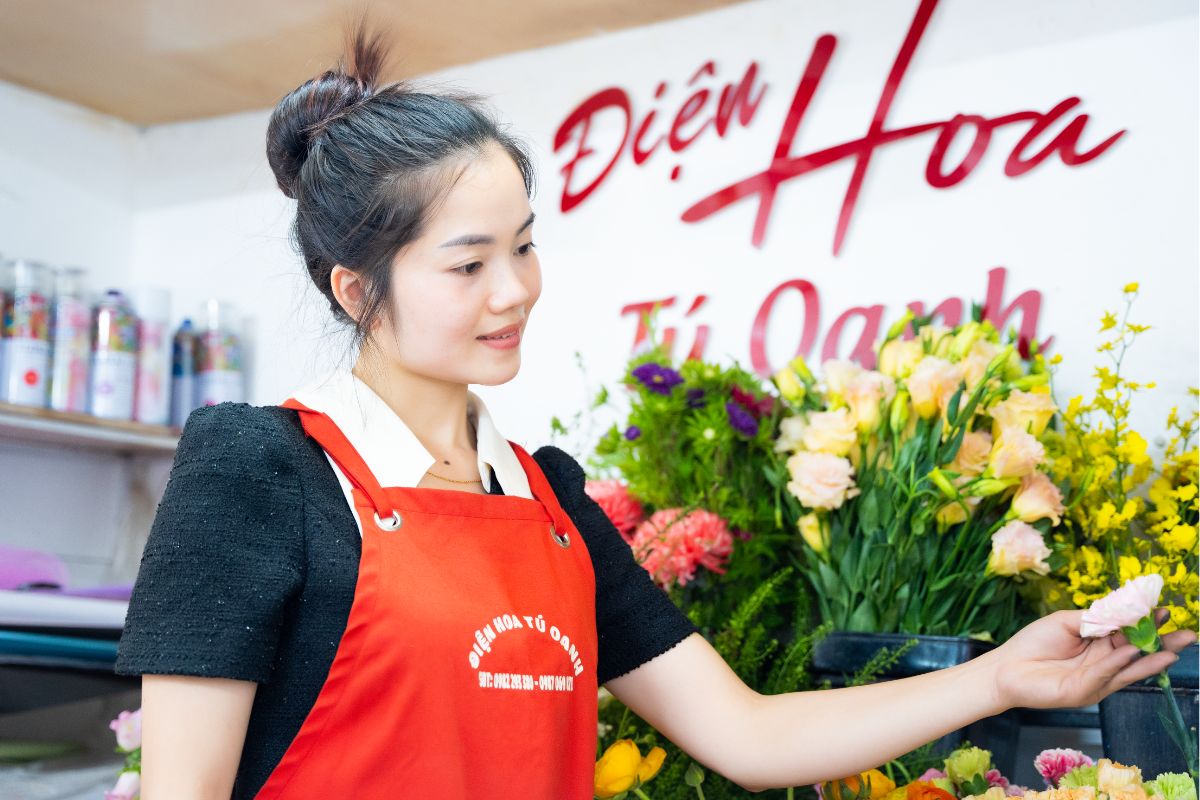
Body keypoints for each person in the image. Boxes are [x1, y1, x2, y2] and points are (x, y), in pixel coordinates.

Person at [115, 27, 1196, 800]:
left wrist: (999, 676)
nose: (515, 291)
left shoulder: (547, 501)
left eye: (524, 245)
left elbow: (749, 733)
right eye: (468, 264)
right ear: (358, 290)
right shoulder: (259, 473)